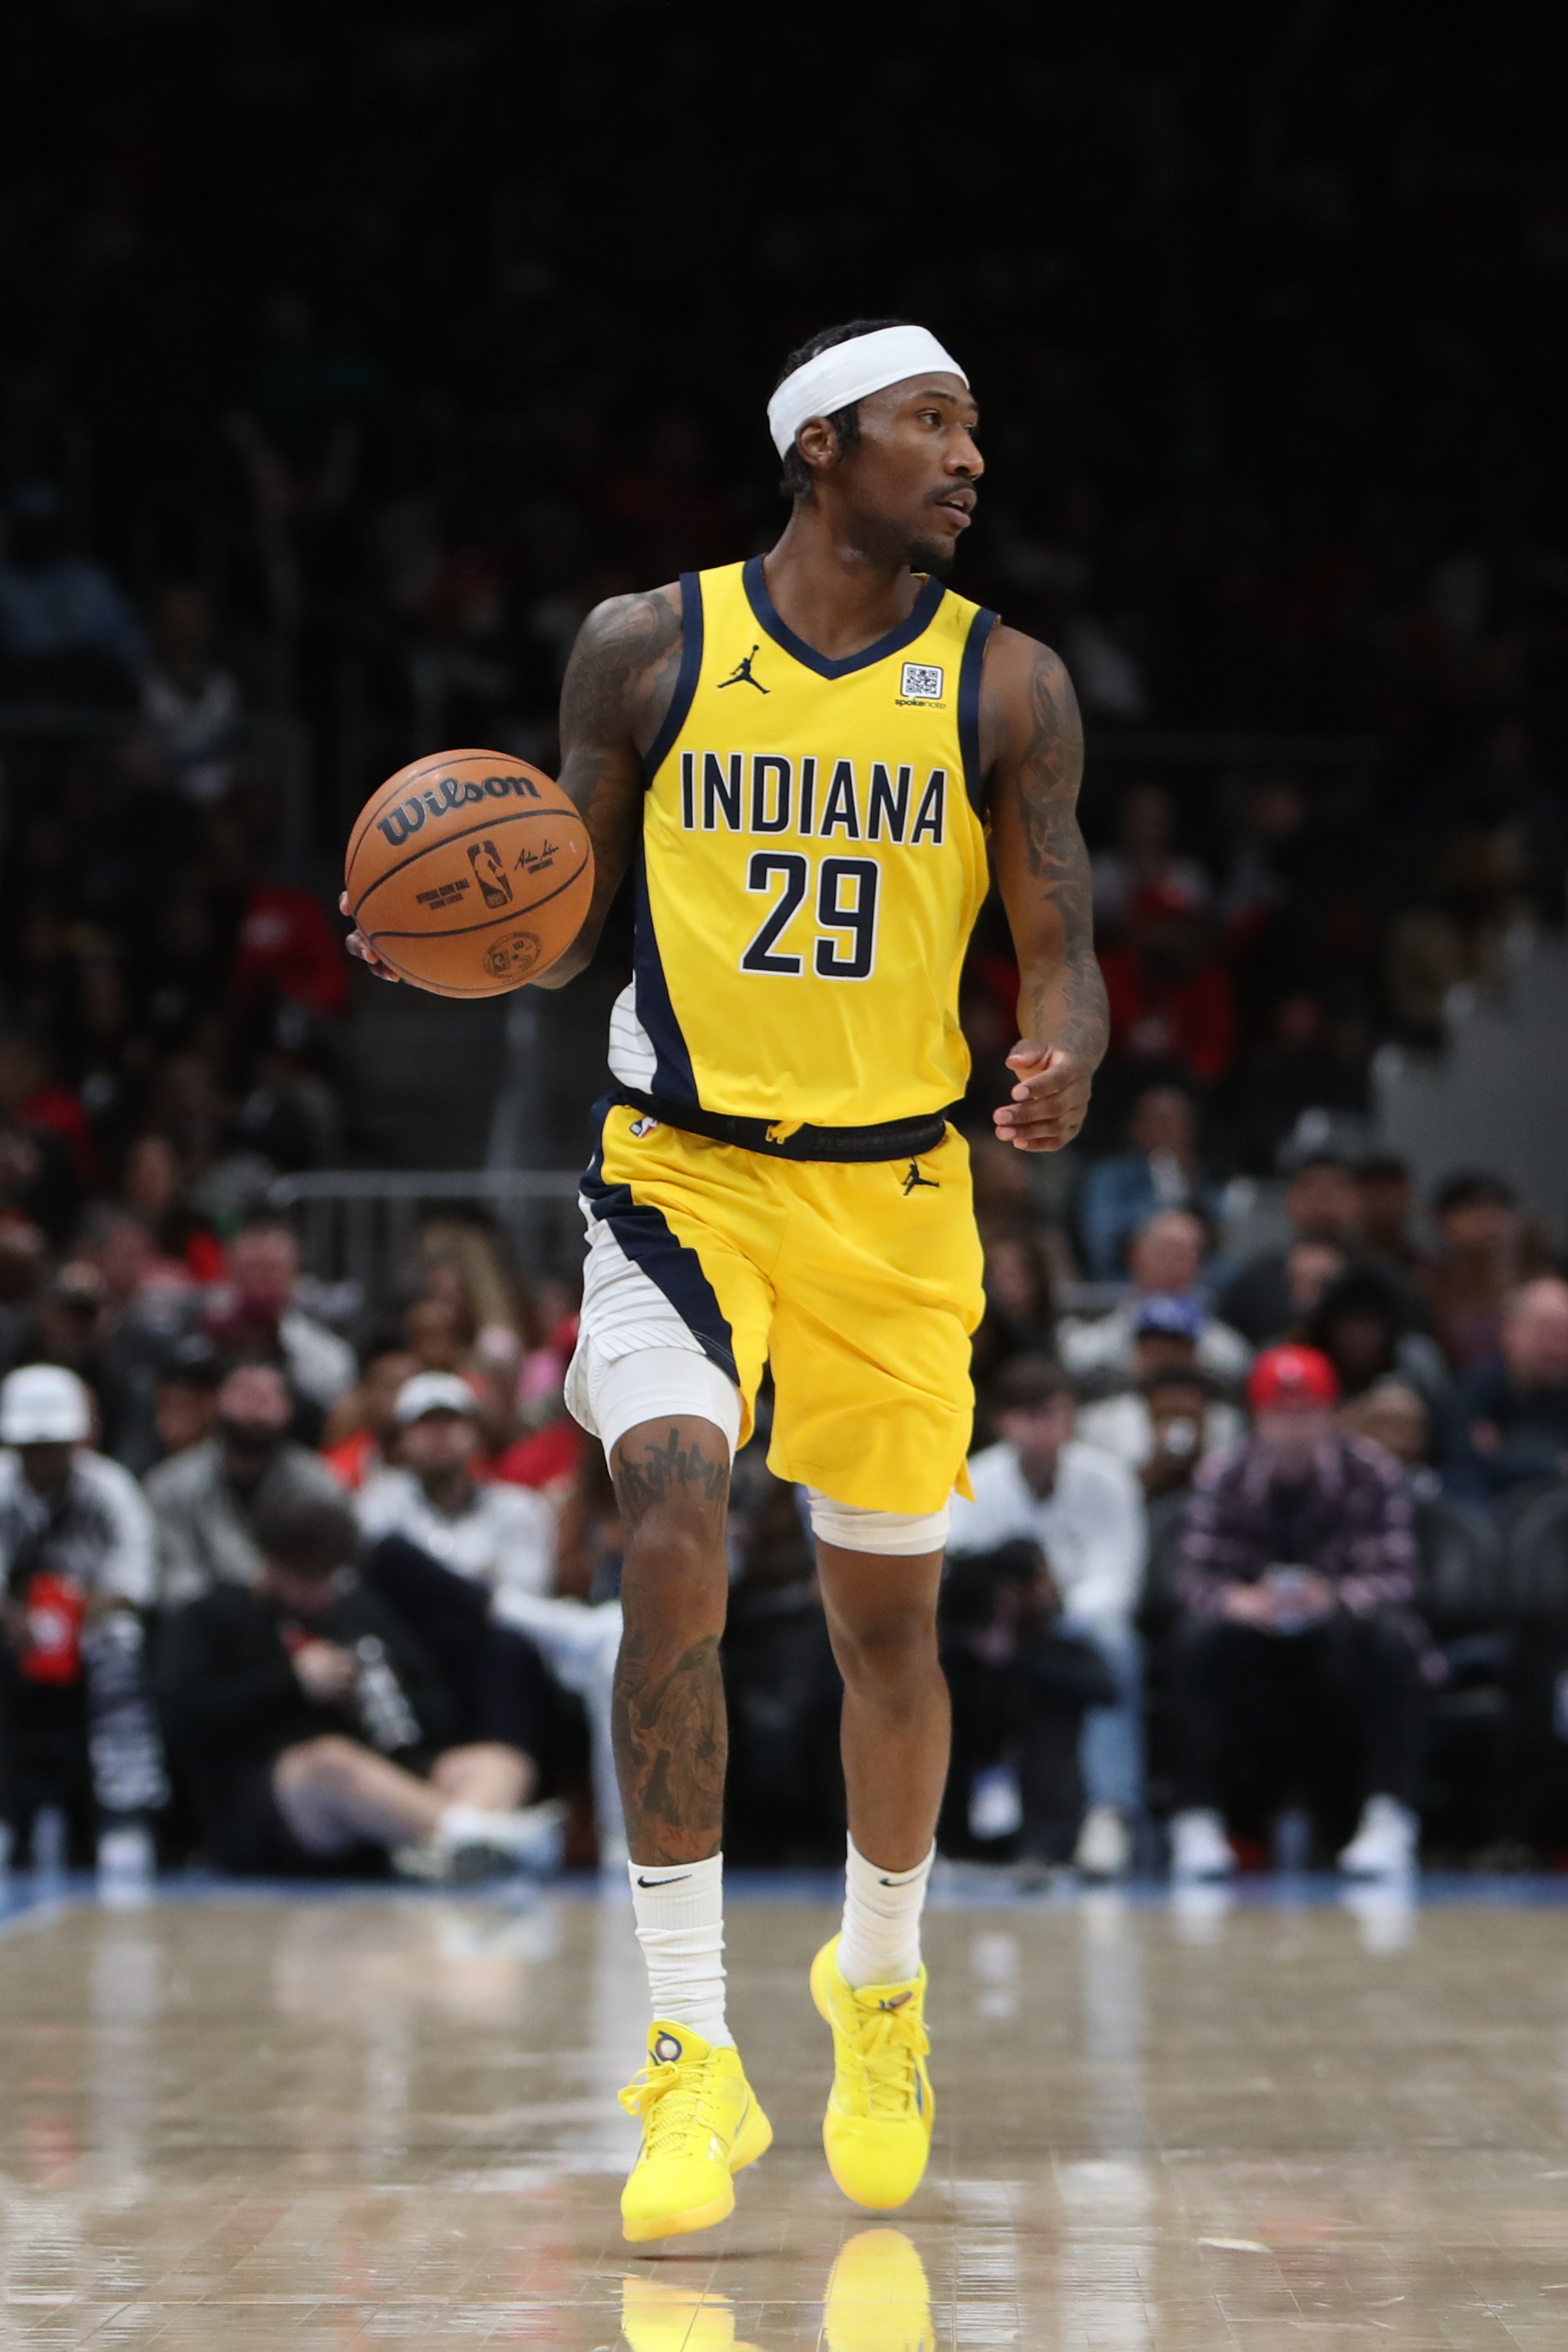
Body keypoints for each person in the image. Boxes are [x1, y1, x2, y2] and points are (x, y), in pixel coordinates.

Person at [347, 317, 1108, 2240]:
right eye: (931, 422)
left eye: (970, 425)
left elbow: (1059, 938)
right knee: (672, 1517)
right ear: (820, 443)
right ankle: (689, 2048)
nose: (968, 457)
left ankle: (877, 1981)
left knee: (885, 1636)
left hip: (895, 1199)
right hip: (675, 1175)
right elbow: (562, 915)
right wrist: (440, 939)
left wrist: (1067, 1050)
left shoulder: (1005, 683)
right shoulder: (646, 647)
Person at [155, 1493, 560, 1881]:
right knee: (330, 1762)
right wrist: (293, 1683)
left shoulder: (356, 1611)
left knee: (501, 1761)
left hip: (387, 1785)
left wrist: (379, 1704)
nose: (322, 1592)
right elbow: (183, 1718)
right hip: (274, 1802)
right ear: (271, 1565)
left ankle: (457, 1844)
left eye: (331, 1576)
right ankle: (475, 1835)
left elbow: (437, 1708)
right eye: (307, 1578)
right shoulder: (212, 1616)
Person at [1170, 1344, 1423, 1883]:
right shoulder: (1223, 1474)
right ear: (1257, 1417)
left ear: (1331, 1414)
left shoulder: (1372, 1472)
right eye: (1280, 1414)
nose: (1293, 1428)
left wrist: (1332, 1598)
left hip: (1339, 1648)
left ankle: (1388, 1816)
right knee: (1195, 1640)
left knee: (1394, 1639)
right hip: (1253, 1650)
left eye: (1306, 1413)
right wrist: (1239, 1600)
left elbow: (1398, 1577)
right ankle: (1197, 1820)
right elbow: (1193, 1580)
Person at [356, 1370, 623, 1855]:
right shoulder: (378, 1503)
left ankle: (499, 1801)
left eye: (451, 1423)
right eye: (425, 1426)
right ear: (402, 1440)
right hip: (409, 1648)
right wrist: (476, 1587)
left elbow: (526, 1592)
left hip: (489, 1651)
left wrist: (440, 1584)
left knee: (507, 1646)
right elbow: (375, 1589)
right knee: (391, 1556)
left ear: (475, 1435)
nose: (440, 1436)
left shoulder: (518, 1508)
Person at [948, 1356, 1144, 1880]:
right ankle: (954, 1824)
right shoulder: (974, 1482)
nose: (1047, 1429)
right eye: (1032, 1415)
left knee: (1111, 1644)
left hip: (1076, 1624)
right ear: (1004, 1421)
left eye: (1058, 1414)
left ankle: (1108, 1812)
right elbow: (957, 1567)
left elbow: (1119, 1577)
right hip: (999, 1633)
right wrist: (1007, 1603)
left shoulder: (1108, 1480)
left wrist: (1054, 1601)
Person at [0, 1364, 166, 1879]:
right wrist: (14, 1618)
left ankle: (123, 1809)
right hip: (14, 1628)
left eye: (54, 1445)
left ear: (77, 1440)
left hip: (91, 1624)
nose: (43, 1458)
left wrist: (77, 1613)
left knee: (120, 1646)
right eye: (32, 1447)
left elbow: (137, 1581)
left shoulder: (110, 1488)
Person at [146, 1359, 343, 1604]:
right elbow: (174, 1581)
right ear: (216, 1402)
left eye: (270, 1396)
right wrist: (247, 1589)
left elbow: (339, 1573)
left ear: (290, 1408)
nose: (255, 1408)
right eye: (244, 1392)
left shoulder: (320, 1483)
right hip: (207, 1616)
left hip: (295, 1611)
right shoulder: (170, 1485)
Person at [1058, 1211, 1250, 1387]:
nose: (1175, 1263)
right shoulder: (1095, 1341)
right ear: (1135, 1255)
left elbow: (1237, 1362)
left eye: (1187, 1254)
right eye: (1167, 1250)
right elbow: (1077, 1357)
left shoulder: (1227, 1350)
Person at [206, 1217, 356, 1415]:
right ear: (229, 1272)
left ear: (294, 1274)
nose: (260, 1279)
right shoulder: (200, 1332)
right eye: (251, 1268)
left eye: (272, 1269)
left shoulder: (328, 1355)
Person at [1216, 1153, 1364, 1346]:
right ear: (1291, 1198)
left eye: (1336, 1189)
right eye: (1311, 1188)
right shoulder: (1252, 1285)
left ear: (1356, 1201)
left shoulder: (1378, 1283)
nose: (1323, 1198)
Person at [1444, 1277, 1568, 1502]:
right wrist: (1556, 1463)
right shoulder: (1476, 1390)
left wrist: (1503, 1456)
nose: (1552, 1348)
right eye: (1543, 1332)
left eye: (1562, 1335)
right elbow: (1460, 1472)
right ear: (1511, 1330)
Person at [1078, 1085, 1220, 1280]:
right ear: (1137, 1127)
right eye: (1159, 1121)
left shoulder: (1199, 1176)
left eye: (1177, 1122)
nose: (1167, 1131)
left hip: (1198, 1279)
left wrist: (1187, 1186)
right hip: (1125, 1280)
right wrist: (1158, 1219)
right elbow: (1101, 1244)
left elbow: (1220, 1237)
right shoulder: (1109, 1176)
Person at [1421, 1173, 1520, 1373]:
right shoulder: (1425, 1285)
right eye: (1473, 1210)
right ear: (1443, 1222)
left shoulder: (1528, 1286)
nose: (1487, 1220)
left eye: (1496, 1209)